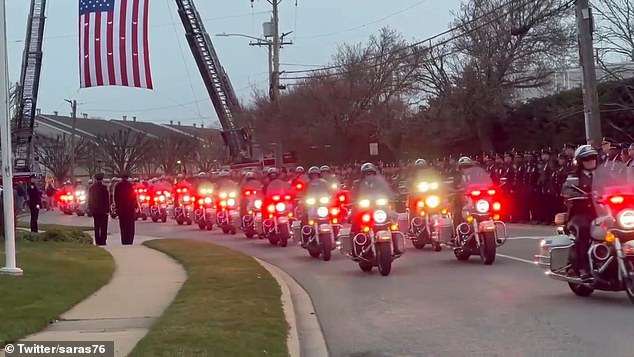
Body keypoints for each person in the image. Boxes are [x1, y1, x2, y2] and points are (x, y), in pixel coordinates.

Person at [562, 145, 598, 280]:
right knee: (584, 230)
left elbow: (616, 184)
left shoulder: (604, 174)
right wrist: (577, 195)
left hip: (602, 213)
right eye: (587, 159)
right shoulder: (574, 177)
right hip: (581, 213)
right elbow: (567, 191)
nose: (590, 161)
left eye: (593, 158)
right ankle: (583, 266)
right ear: (580, 161)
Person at [114, 172, 137, 245]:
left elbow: (116, 197)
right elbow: (133, 196)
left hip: (121, 209)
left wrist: (117, 207)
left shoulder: (118, 186)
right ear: (127, 178)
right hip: (130, 208)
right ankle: (130, 239)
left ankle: (124, 240)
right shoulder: (130, 186)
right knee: (130, 225)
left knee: (123, 225)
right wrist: (134, 205)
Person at [88, 173, 110, 246]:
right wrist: (108, 210)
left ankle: (97, 240)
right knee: (104, 226)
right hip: (103, 211)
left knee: (97, 226)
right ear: (102, 179)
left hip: (95, 210)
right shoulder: (104, 188)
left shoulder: (92, 188)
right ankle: (103, 240)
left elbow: (90, 199)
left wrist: (91, 209)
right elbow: (107, 200)